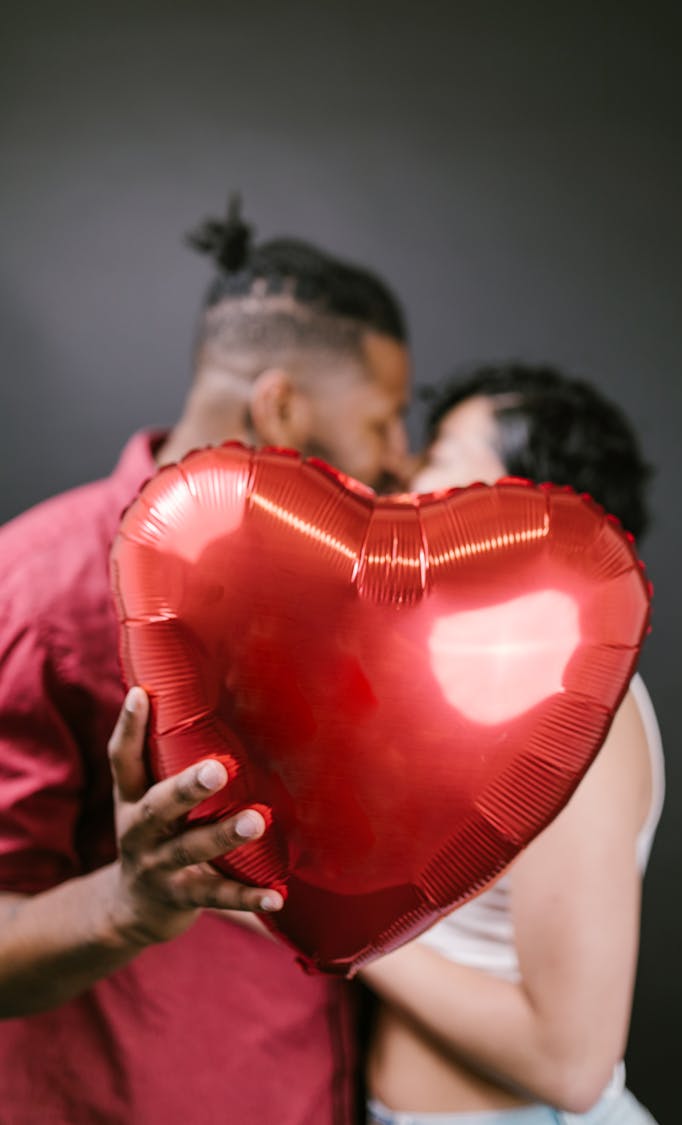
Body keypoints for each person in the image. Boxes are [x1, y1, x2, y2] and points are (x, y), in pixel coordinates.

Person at [0, 198, 411, 1124]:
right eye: (384, 422)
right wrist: (130, 901)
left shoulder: (347, 592)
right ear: (280, 407)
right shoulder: (35, 592)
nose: (402, 457)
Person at [362, 363, 663, 1125]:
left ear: (528, 509)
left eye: (440, 455)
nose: (402, 475)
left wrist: (319, 922)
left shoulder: (577, 706)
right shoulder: (469, 684)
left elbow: (571, 1062)